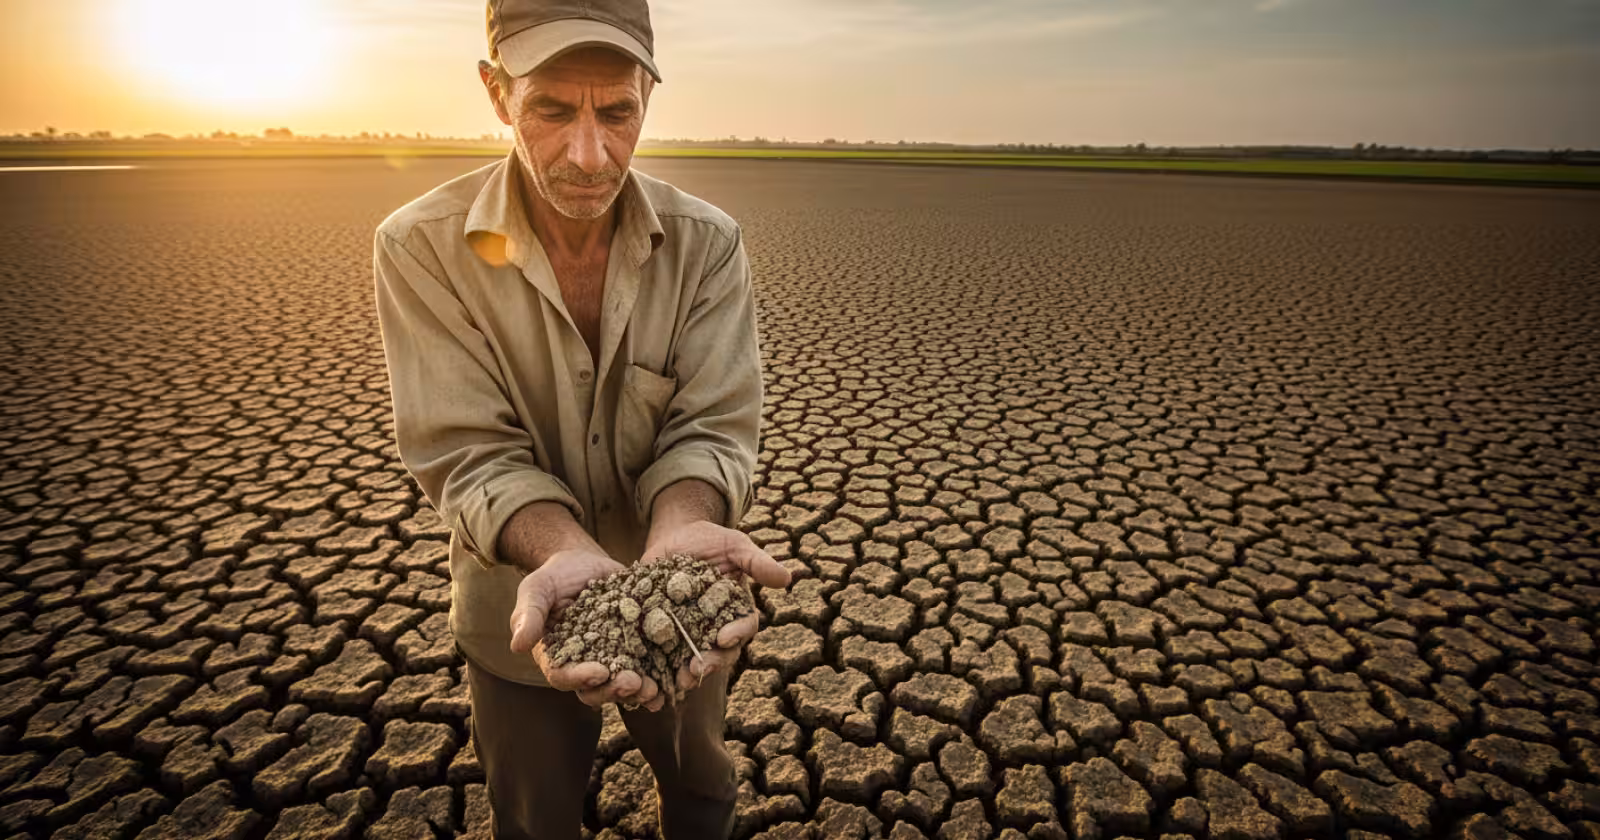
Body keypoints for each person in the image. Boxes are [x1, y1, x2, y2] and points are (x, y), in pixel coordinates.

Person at [371, 0, 792, 836]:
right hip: (517, 616)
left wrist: (676, 536)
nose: (590, 153)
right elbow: (467, 450)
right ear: (498, 94)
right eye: (553, 111)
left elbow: (712, 425)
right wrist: (568, 557)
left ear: (647, 98)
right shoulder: (422, 246)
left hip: (683, 613)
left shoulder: (706, 243)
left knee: (702, 788)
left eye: (619, 111)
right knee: (534, 817)